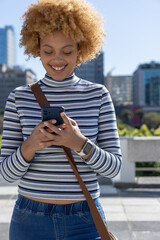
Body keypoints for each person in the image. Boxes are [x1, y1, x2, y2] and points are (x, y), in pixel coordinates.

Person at [0, 0, 122, 239]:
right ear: (36, 47)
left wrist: (79, 143)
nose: (57, 60)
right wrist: (31, 144)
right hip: (29, 218)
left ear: (81, 48)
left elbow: (115, 168)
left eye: (67, 51)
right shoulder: (18, 98)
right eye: (48, 51)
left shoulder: (98, 95)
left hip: (85, 218)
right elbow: (5, 175)